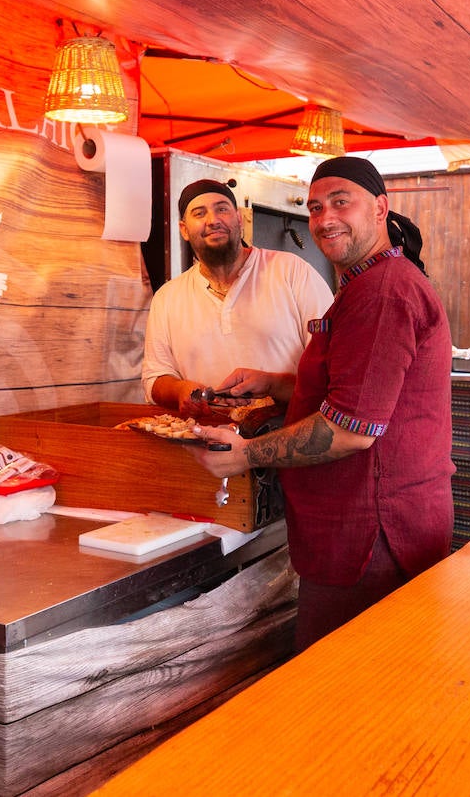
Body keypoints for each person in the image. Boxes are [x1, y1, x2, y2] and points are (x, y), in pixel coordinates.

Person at [192, 156, 454, 653]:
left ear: (380, 209)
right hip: (365, 527)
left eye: (340, 202)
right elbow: (359, 391)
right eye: (314, 208)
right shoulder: (367, 283)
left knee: (341, 701)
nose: (325, 218)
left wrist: (245, 454)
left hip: (372, 536)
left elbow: (352, 429)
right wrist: (275, 384)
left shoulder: (383, 292)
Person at [142, 178, 334, 417]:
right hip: (206, 441)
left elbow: (333, 366)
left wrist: (273, 383)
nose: (213, 220)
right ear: (184, 230)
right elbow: (154, 379)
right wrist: (181, 390)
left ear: (239, 219)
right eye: (199, 213)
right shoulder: (168, 298)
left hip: (289, 434)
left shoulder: (292, 272)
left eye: (222, 209)